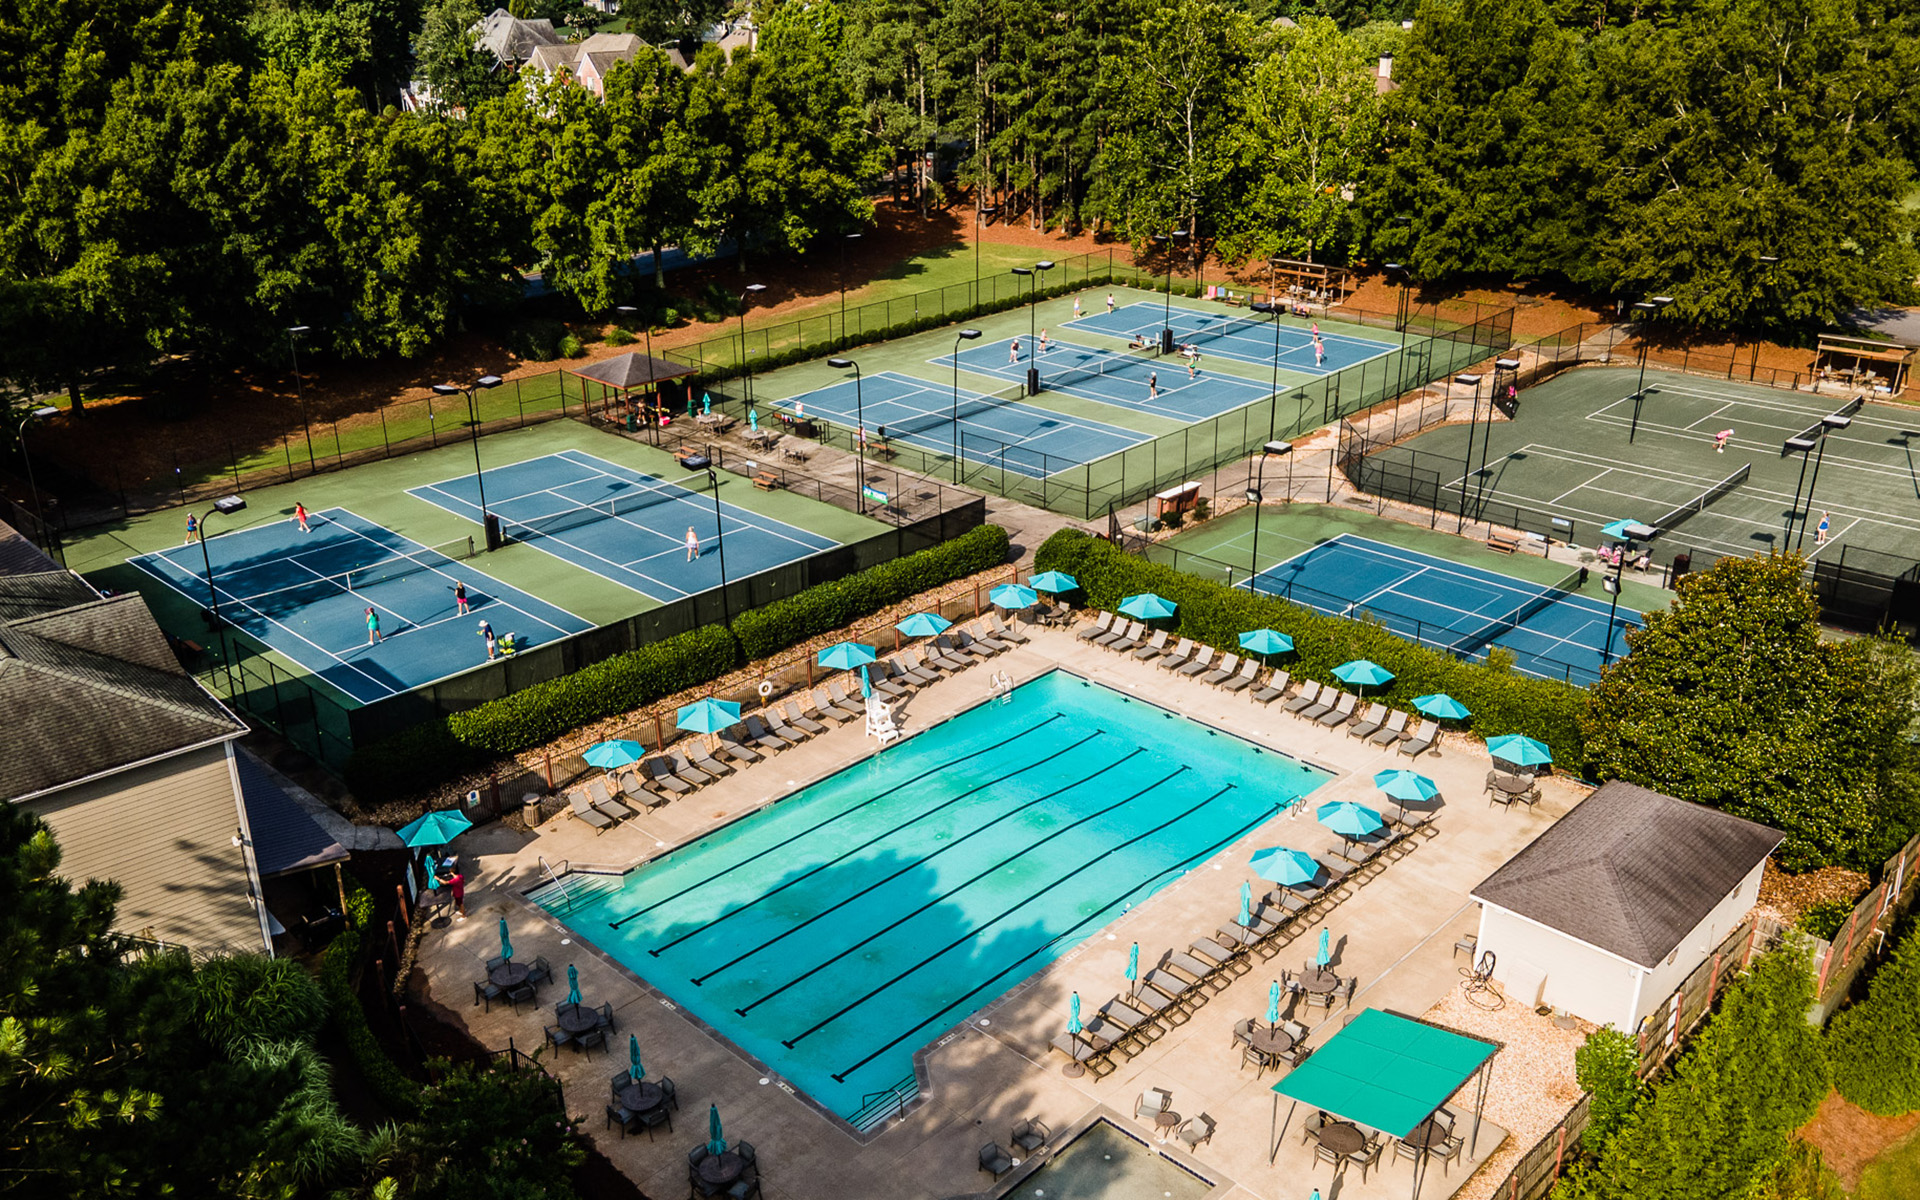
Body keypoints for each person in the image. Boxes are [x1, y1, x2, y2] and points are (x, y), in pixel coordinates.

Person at [436, 855, 466, 920]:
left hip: (458, 894)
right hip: (460, 891)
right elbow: (463, 881)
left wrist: (438, 879)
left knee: (460, 904)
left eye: (451, 872)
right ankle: (461, 912)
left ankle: (463, 915)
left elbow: (445, 882)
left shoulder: (455, 880)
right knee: (458, 903)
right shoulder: (460, 876)